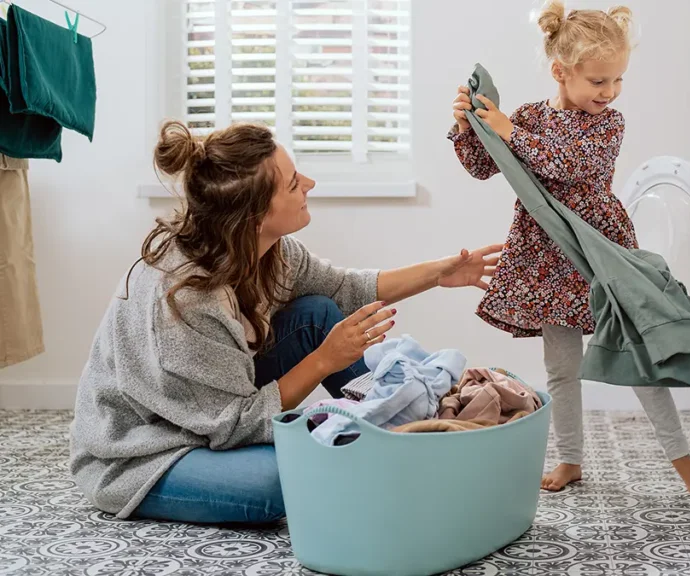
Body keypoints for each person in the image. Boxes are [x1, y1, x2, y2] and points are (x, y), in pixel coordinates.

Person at [68, 120, 502, 524]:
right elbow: (235, 424)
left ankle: (400, 428)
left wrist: (440, 273)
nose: (309, 185)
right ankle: (384, 446)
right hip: (146, 447)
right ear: (256, 217)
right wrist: (323, 362)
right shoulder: (188, 301)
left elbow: (345, 288)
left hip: (216, 404)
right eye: (294, 184)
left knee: (318, 314)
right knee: (278, 482)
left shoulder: (267, 249)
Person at [447, 0, 690, 496]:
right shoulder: (527, 116)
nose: (609, 92)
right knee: (561, 368)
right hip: (546, 255)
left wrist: (510, 132)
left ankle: (681, 458)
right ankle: (570, 458)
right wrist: (469, 127)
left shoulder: (606, 125)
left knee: (640, 355)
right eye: (598, 82)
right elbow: (486, 167)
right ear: (561, 72)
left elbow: (568, 166)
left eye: (617, 81)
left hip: (599, 252)